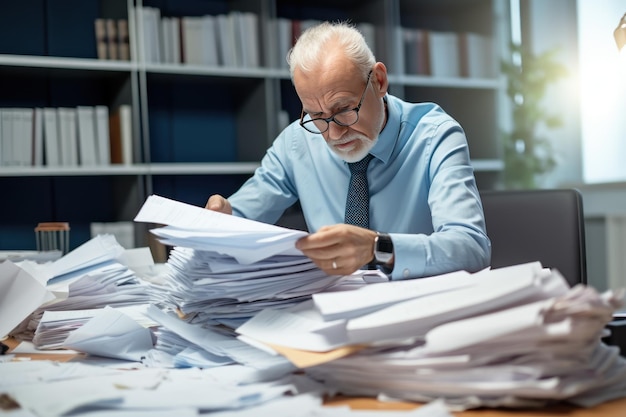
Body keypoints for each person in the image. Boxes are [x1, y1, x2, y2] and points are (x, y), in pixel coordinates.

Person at [206, 21, 490, 280]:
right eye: (316, 116)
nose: (333, 133)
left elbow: (471, 247)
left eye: (343, 109)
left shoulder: (436, 136)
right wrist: (223, 217)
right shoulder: (296, 142)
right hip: (330, 311)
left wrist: (377, 248)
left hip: (418, 311)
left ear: (378, 81)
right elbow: (240, 218)